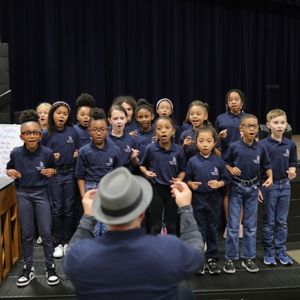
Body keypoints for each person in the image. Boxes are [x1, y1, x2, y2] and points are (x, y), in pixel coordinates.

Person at [63, 167, 204, 300]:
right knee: (185, 294)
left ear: (101, 212)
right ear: (142, 212)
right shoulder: (168, 248)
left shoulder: (81, 256)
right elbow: (196, 254)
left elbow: (69, 254)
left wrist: (88, 217)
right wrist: (185, 208)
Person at [6, 109, 59, 287]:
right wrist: (9, 171)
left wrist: (54, 171)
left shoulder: (47, 153)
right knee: (27, 233)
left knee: (45, 233)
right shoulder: (15, 153)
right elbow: (9, 167)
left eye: (35, 132)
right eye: (27, 133)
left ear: (40, 135)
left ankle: (50, 267)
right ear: (22, 137)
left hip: (42, 194)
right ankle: (28, 268)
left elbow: (54, 169)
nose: (31, 136)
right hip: (23, 194)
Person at [223, 114, 273, 274]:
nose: (252, 129)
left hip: (252, 189)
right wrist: (230, 169)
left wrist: (270, 176)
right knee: (233, 226)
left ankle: (248, 258)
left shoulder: (261, 148)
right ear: (241, 129)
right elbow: (224, 163)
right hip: (236, 188)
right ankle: (230, 258)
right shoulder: (234, 147)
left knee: (251, 227)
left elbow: (267, 166)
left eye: (255, 126)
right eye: (248, 126)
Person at [185, 127, 229, 275]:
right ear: (196, 142)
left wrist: (219, 184)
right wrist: (191, 184)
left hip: (214, 201)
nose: (205, 144)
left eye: (209, 141)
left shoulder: (219, 161)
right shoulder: (192, 161)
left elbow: (226, 179)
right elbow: (187, 179)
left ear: (214, 143)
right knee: (199, 230)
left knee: (212, 229)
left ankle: (211, 257)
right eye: (201, 141)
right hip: (198, 200)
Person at [42, 101, 80, 258]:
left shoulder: (73, 131)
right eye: (59, 113)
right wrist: (50, 159)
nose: (62, 116)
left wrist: (77, 155)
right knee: (57, 208)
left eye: (65, 113)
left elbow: (78, 150)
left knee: (69, 208)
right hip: (55, 174)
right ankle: (57, 243)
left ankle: (67, 242)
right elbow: (40, 157)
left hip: (70, 172)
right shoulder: (46, 133)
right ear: (52, 114)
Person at [75, 108, 122, 236]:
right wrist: (83, 194)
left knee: (107, 225)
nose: (99, 133)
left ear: (107, 130)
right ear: (89, 131)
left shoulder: (115, 150)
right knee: (94, 227)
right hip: (91, 188)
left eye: (102, 129)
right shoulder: (84, 151)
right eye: (95, 130)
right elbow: (80, 176)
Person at [260, 109, 297, 266]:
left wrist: (293, 171)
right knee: (269, 221)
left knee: (282, 221)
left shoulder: (290, 144)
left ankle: (280, 250)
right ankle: (269, 252)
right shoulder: (262, 145)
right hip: (270, 187)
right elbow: (258, 167)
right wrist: (258, 188)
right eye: (276, 123)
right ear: (268, 125)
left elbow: (293, 162)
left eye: (283, 123)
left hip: (285, 186)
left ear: (286, 124)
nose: (280, 126)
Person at [139, 116, 186, 235]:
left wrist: (179, 180)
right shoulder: (150, 149)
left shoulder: (179, 150)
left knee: (171, 224)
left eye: (167, 128)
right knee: (156, 225)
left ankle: (171, 250)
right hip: (156, 189)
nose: (163, 131)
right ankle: (154, 251)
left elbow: (183, 170)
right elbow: (142, 165)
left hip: (172, 190)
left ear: (173, 131)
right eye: (159, 128)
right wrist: (146, 172)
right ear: (156, 132)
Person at [215, 89, 247, 239]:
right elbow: (213, 142)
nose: (233, 102)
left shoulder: (247, 118)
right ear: (227, 103)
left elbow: (256, 140)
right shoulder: (221, 119)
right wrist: (219, 138)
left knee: (240, 195)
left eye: (236, 99)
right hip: (226, 161)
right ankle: (229, 225)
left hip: (243, 161)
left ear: (242, 102)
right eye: (230, 100)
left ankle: (239, 226)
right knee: (228, 193)